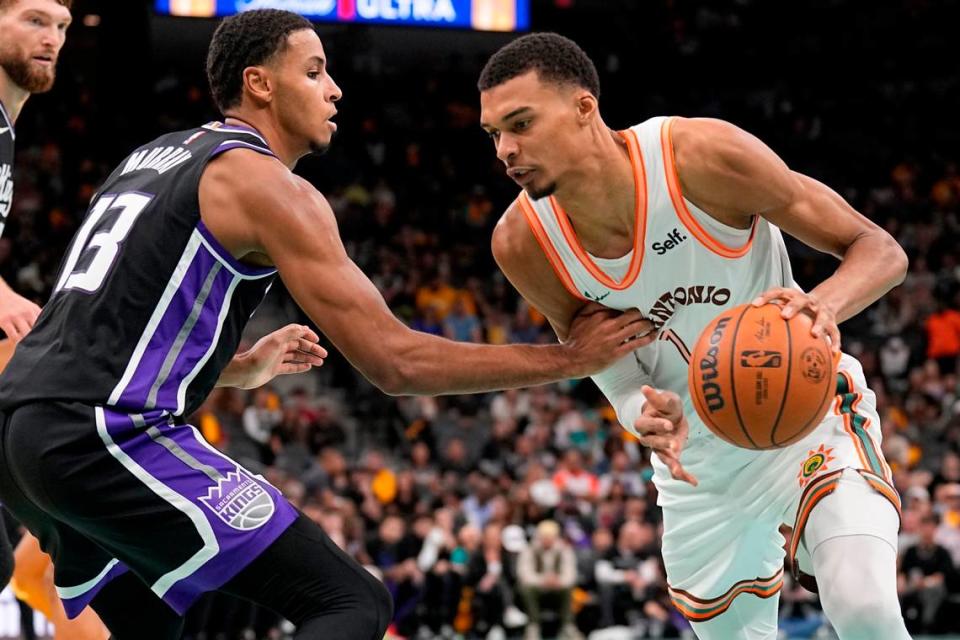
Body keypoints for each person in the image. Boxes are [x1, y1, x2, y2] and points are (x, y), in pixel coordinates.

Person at [0, 11, 652, 640]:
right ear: (259, 83)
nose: (335, 88)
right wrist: (570, 358)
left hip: (18, 430)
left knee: (161, 619)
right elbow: (398, 364)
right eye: (314, 72)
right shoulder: (266, 185)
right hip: (97, 433)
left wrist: (240, 366)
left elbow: (100, 328)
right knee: (351, 600)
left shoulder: (153, 157)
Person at [479, 32, 910, 639]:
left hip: (807, 416)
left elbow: (880, 250)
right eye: (493, 133)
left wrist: (822, 305)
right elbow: (598, 353)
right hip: (699, 467)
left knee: (865, 607)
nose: (505, 149)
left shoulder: (699, 156)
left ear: (584, 107)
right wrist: (634, 405)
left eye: (520, 123)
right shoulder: (522, 243)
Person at [0, 2, 112, 638]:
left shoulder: (7, 127)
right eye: (34, 20)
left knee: (30, 555)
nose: (53, 39)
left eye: (63, 28)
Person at [516, 519, 582, 640]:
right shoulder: (530, 549)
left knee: (569, 589)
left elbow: (570, 575)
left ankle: (568, 626)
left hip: (558, 589)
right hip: (538, 589)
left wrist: (558, 581)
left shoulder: (564, 550)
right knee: (526, 588)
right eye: (544, 537)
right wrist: (544, 580)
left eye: (550, 537)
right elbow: (524, 574)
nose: (546, 539)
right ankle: (533, 625)